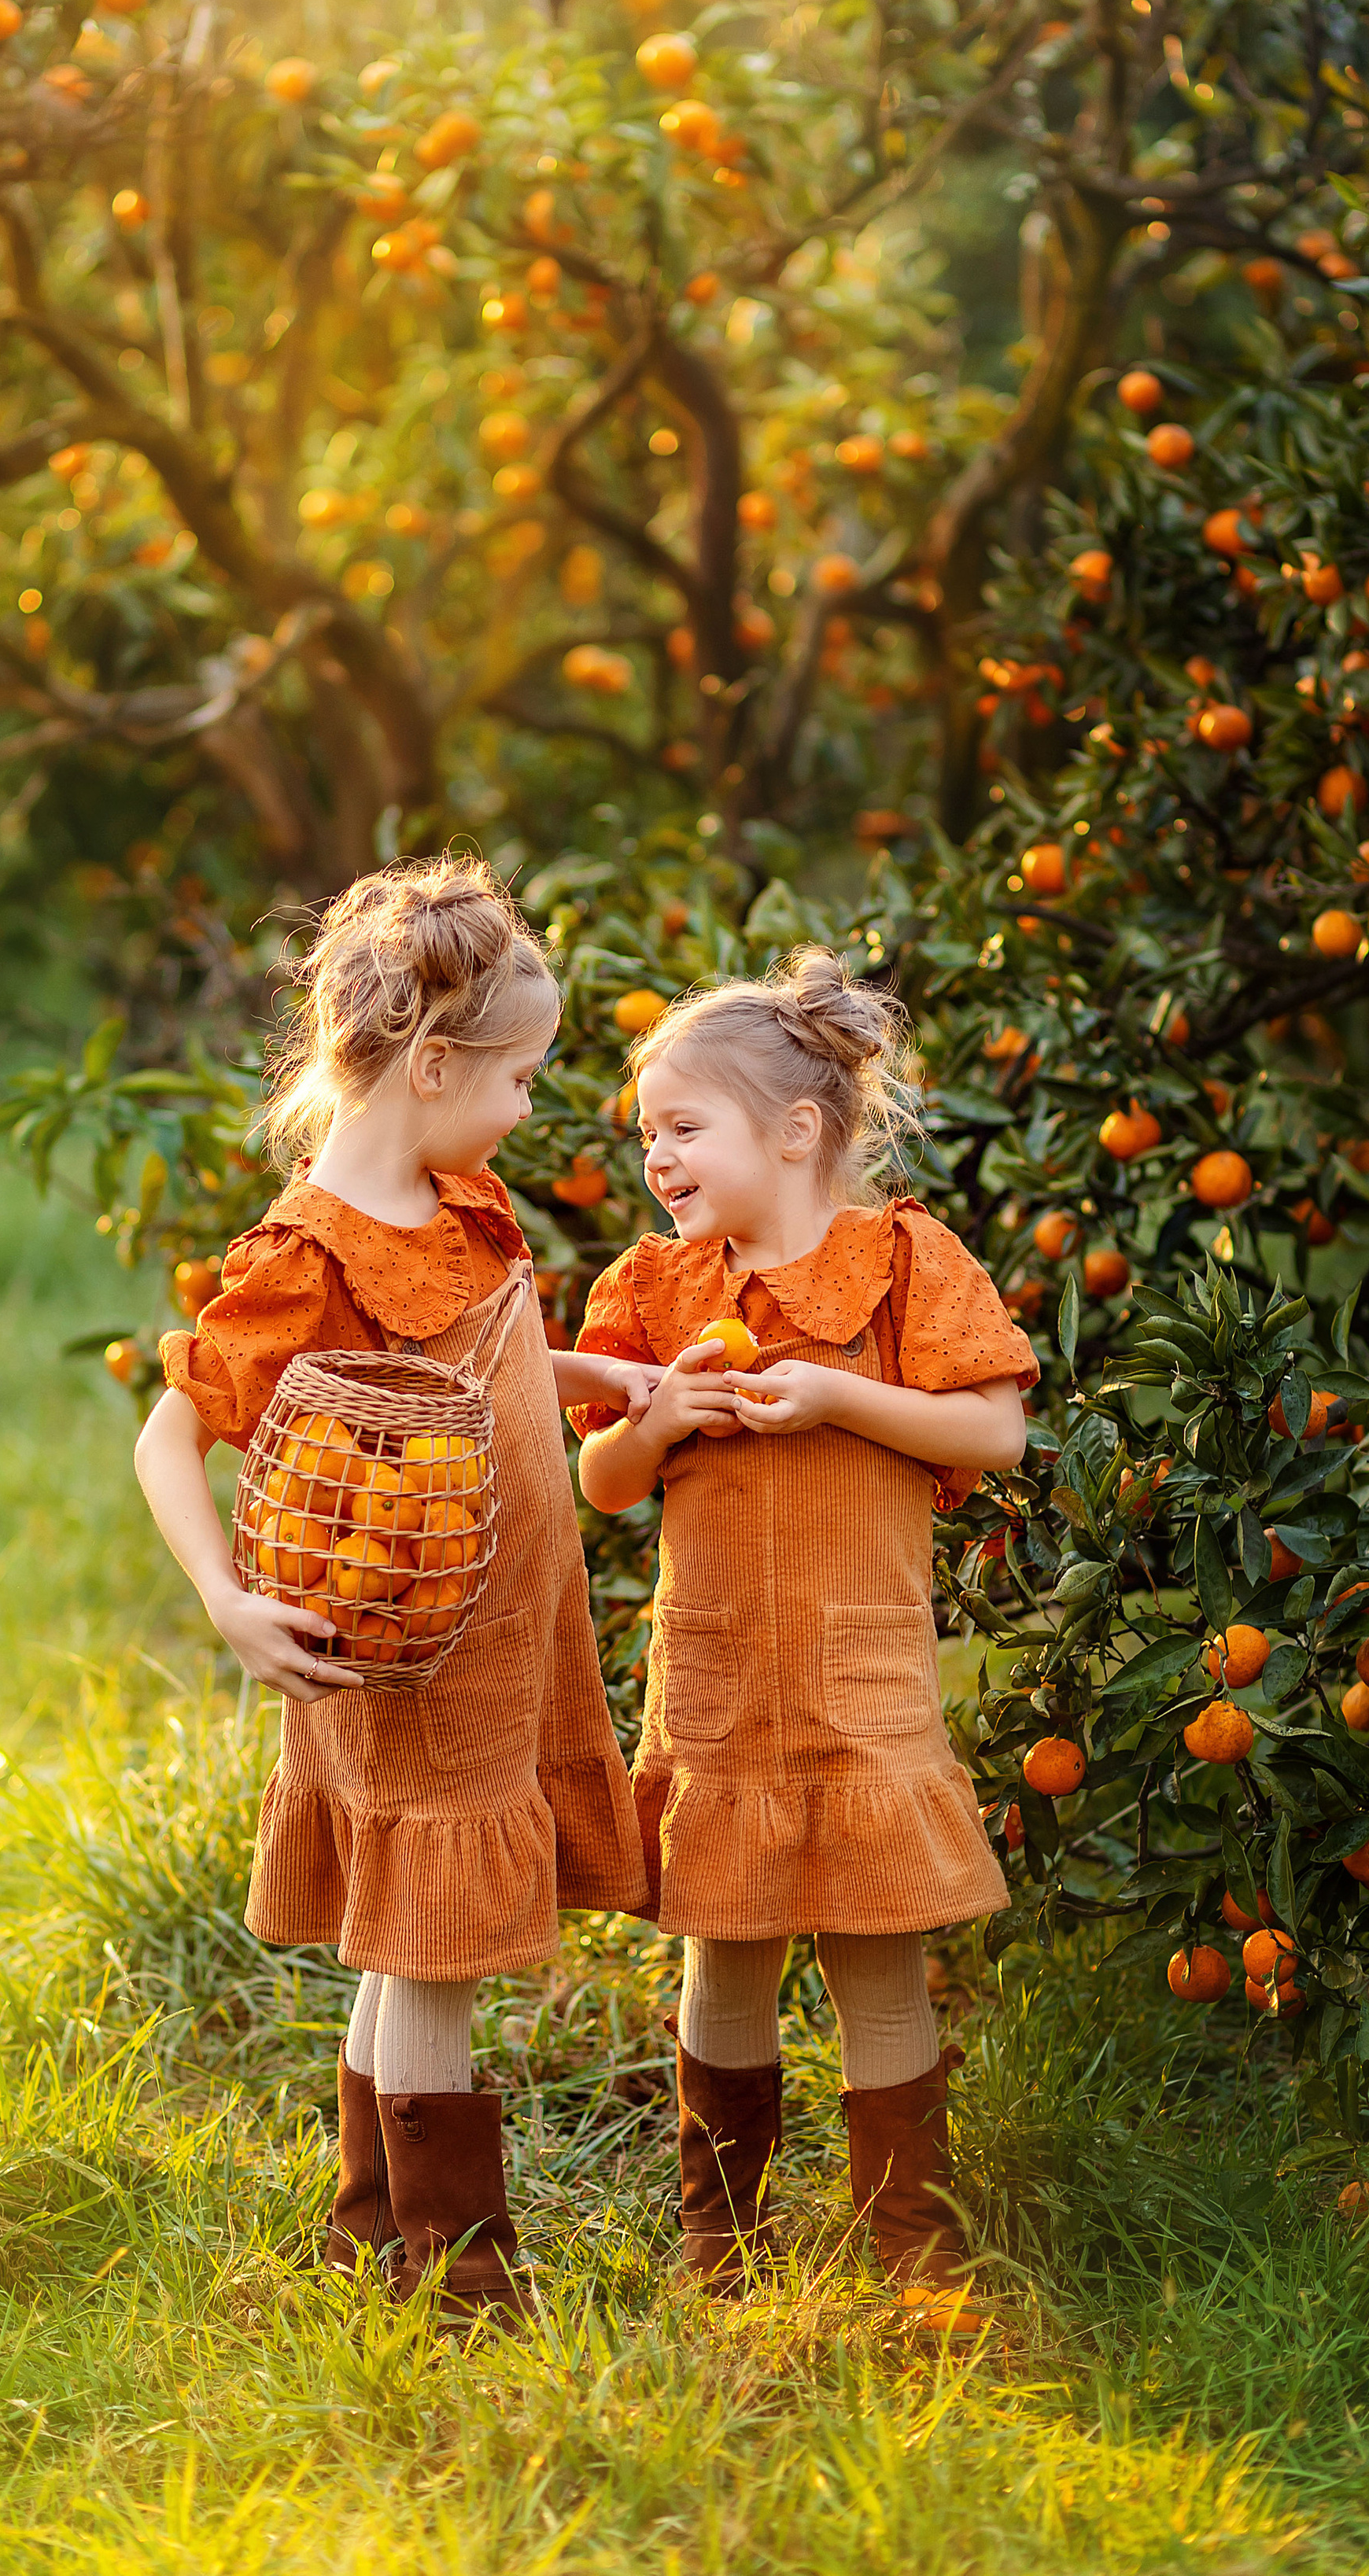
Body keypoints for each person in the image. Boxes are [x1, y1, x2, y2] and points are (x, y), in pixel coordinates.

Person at [135, 858, 653, 2317]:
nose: (529, 1107)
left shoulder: (456, 1196)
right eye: (521, 1077)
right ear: (432, 1064)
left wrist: (594, 1372)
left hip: (498, 1643)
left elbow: (473, 1364)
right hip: (406, 1661)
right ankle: (462, 2276)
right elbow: (168, 1434)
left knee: (410, 1946)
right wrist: (230, 1601)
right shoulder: (307, 1257)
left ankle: (372, 2230)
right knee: (436, 1955)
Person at [572, 949, 1034, 2322]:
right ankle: (725, 2244)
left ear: (794, 1130)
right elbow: (597, 1476)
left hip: (861, 1685)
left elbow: (994, 1431)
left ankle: (916, 2258)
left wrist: (838, 1396)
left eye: (682, 1126)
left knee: (881, 1955)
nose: (659, 1155)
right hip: (719, 1686)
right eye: (648, 1132)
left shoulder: (906, 1266)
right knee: (726, 1956)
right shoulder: (655, 1289)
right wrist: (652, 1424)